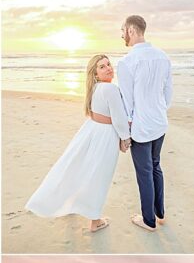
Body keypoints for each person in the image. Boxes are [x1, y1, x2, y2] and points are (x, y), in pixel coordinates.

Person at [26, 53, 131, 233]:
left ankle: (67, 203)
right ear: (95, 74)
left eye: (108, 64)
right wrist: (125, 138)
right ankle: (95, 221)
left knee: (77, 168)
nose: (108, 68)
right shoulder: (111, 89)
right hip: (105, 136)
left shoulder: (95, 88)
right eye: (102, 67)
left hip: (90, 131)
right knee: (99, 176)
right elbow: (119, 119)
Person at [117, 14, 172, 233]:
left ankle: (148, 220)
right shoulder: (162, 56)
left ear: (131, 30)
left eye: (123, 30)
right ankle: (160, 213)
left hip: (140, 125)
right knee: (156, 165)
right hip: (159, 122)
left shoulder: (127, 62)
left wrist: (127, 126)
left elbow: (127, 100)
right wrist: (158, 110)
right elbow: (168, 92)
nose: (122, 35)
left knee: (145, 172)